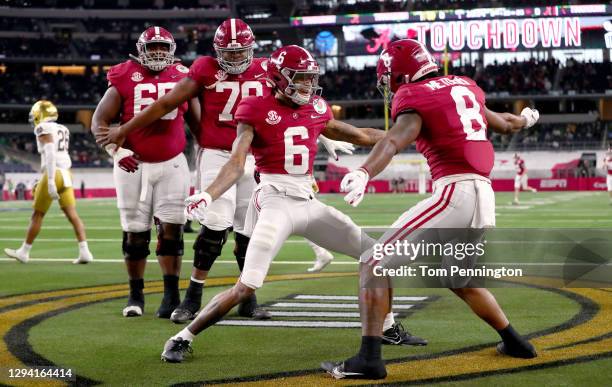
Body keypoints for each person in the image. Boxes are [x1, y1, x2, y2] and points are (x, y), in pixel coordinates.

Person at [159, 45, 426, 363]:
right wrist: (209, 193)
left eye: (310, 79)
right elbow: (235, 162)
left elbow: (362, 135)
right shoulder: (255, 108)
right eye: (299, 79)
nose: (307, 86)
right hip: (275, 203)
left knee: (376, 256)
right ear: (277, 78)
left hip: (307, 202)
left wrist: (415, 136)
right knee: (247, 285)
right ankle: (181, 337)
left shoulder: (316, 107)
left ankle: (388, 327)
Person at [96, 19, 345, 323]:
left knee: (248, 229)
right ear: (216, 50)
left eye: (241, 52)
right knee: (214, 224)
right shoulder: (204, 68)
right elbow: (165, 104)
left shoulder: (269, 70)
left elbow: (289, 105)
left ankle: (248, 298)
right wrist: (126, 129)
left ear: (252, 48)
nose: (237, 58)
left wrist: (321, 134)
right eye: (229, 52)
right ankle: (192, 297)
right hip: (215, 153)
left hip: (253, 155)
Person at [322, 39, 539, 379]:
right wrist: (526, 120)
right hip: (483, 195)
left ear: (401, 75)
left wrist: (365, 172)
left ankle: (369, 358)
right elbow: (505, 124)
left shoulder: (414, 95)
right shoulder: (464, 86)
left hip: (455, 192)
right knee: (459, 277)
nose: (390, 86)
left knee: (373, 261)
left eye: (391, 78)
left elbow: (393, 140)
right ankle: (515, 342)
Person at [91, 26, 200, 318]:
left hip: (173, 163)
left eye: (163, 47)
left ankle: (171, 296)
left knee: (172, 233)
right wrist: (117, 150)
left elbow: (199, 125)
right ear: (141, 50)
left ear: (172, 50)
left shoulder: (184, 76)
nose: (158, 53)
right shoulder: (124, 75)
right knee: (135, 236)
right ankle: (135, 294)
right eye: (153, 48)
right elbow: (99, 121)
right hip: (132, 166)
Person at [4, 101, 94, 264]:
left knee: (37, 215)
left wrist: (50, 180)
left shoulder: (43, 128)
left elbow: (51, 152)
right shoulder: (63, 128)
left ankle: (24, 252)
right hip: (67, 173)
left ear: (40, 115)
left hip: (55, 173)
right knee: (72, 215)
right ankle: (85, 251)